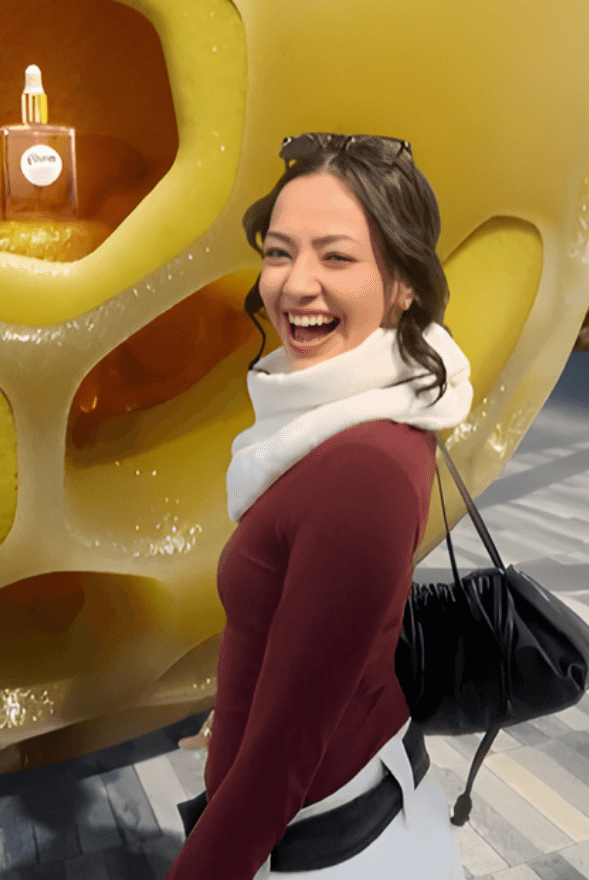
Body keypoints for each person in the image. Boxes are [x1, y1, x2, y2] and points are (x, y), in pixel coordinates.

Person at [166, 133, 472, 879]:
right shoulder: (348, 407)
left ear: (403, 283)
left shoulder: (360, 469)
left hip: (337, 848)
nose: (296, 285)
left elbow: (282, 758)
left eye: (336, 257)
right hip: (358, 795)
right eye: (279, 252)